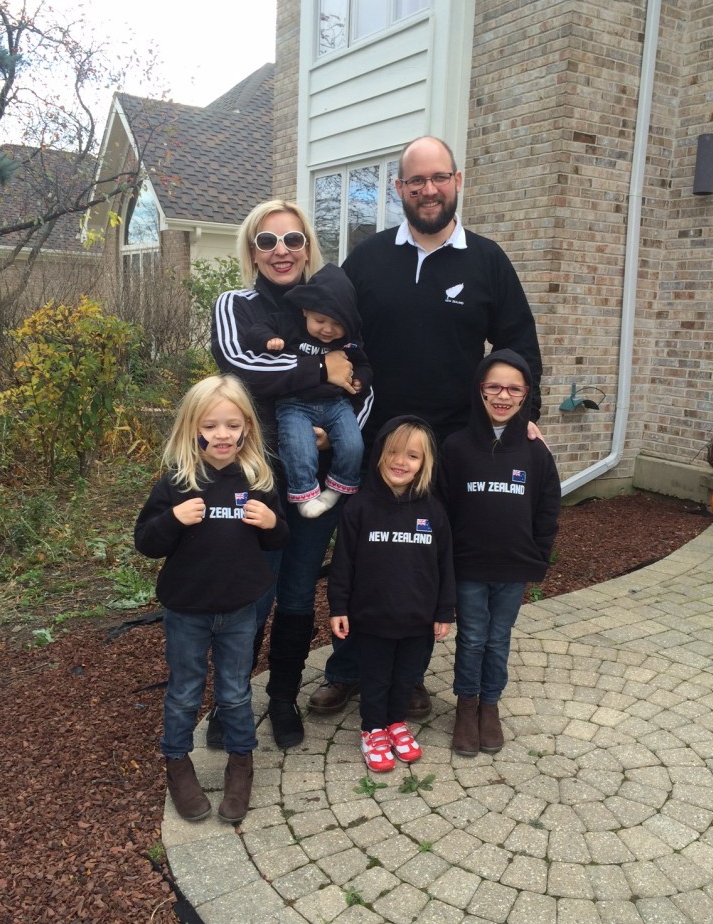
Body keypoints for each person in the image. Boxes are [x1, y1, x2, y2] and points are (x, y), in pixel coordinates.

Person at [309, 134, 544, 718]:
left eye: (439, 178)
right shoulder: (368, 257)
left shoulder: (487, 260)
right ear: (400, 190)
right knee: (363, 553)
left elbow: (518, 344)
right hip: (370, 438)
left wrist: (522, 419)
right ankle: (347, 667)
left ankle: (409, 673)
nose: (428, 190)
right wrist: (319, 393)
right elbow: (325, 327)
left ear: (457, 181)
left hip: (448, 446)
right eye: (416, 181)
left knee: (423, 556)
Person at [211, 201, 361, 750]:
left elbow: (360, 385)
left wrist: (336, 431)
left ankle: (281, 698)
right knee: (251, 595)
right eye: (268, 241)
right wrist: (321, 367)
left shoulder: (329, 307)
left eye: (293, 240)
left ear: (307, 249)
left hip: (315, 487)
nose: (281, 251)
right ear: (252, 250)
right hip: (255, 481)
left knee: (298, 593)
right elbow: (239, 368)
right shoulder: (236, 305)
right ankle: (230, 703)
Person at [134, 375, 289, 822]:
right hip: (186, 610)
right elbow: (146, 541)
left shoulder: (257, 480)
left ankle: (241, 762)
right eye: (211, 425)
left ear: (246, 429)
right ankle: (177, 762)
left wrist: (269, 523)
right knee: (184, 691)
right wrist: (174, 519)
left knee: (235, 692)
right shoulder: (177, 482)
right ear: (193, 428)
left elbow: (280, 539)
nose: (223, 435)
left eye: (232, 425)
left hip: (240, 609)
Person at [438, 350, 560, 756]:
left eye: (513, 388)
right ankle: (466, 705)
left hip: (513, 565)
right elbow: (442, 508)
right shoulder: (456, 447)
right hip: (469, 566)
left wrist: (538, 556)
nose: (503, 395)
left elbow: (547, 509)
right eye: (494, 386)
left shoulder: (535, 451)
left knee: (498, 637)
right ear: (480, 390)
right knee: (472, 638)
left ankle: (490, 706)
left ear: (526, 394)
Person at [328, 417, 455, 772]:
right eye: (394, 452)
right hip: (372, 618)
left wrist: (445, 611)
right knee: (376, 677)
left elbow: (445, 565)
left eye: (412, 456)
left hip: (417, 618)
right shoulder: (359, 508)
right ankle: (372, 730)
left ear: (424, 464)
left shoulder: (433, 512)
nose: (401, 462)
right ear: (379, 454)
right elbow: (343, 564)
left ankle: (396, 722)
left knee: (405, 677)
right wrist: (338, 606)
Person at [246, 262, 372, 518]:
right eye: (320, 320)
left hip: (337, 405)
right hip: (295, 403)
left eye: (337, 324)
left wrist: (360, 379)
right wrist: (267, 339)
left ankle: (337, 485)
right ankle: (305, 493)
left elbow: (363, 363)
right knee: (298, 447)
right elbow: (255, 330)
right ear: (305, 310)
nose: (328, 329)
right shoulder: (288, 324)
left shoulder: (347, 342)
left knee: (353, 445)